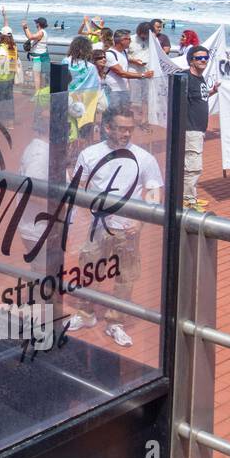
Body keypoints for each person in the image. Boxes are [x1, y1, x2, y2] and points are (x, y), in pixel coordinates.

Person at [70, 107, 164, 348]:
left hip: (127, 229)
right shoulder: (89, 154)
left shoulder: (144, 158)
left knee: (125, 276)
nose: (127, 134)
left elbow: (154, 191)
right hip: (96, 226)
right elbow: (79, 187)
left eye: (130, 129)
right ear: (107, 128)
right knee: (88, 269)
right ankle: (85, 314)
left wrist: (141, 220)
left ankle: (115, 321)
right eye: (122, 129)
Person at [181, 45, 218, 212]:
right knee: (193, 166)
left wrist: (212, 91)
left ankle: (190, 196)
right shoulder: (186, 77)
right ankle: (187, 200)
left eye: (205, 58)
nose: (203, 60)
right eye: (199, 58)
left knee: (192, 164)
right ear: (191, 60)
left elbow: (197, 97)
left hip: (198, 129)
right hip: (190, 129)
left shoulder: (199, 77)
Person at [102, 29, 153, 112]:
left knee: (123, 114)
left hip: (124, 89)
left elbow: (124, 59)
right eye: (128, 39)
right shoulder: (109, 54)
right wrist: (143, 75)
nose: (130, 41)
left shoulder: (124, 52)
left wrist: (135, 61)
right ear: (121, 41)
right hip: (113, 90)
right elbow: (121, 73)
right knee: (112, 115)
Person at [0, 25, 19, 120]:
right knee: (9, 99)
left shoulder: (2, 47)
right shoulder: (13, 47)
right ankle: (10, 121)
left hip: (0, 77)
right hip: (10, 77)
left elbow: (2, 60)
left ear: (1, 35)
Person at [21, 16, 49, 88]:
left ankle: (38, 94)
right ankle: (41, 93)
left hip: (38, 57)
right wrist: (25, 28)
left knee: (37, 77)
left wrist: (26, 27)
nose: (35, 24)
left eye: (36, 22)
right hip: (42, 57)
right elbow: (30, 37)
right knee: (41, 76)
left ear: (38, 24)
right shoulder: (42, 32)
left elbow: (30, 37)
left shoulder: (41, 33)